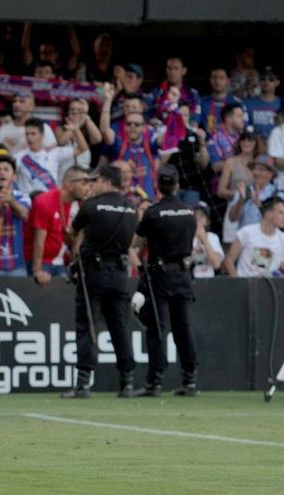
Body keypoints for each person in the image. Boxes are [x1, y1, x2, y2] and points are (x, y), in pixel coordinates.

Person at [61, 164, 137, 399]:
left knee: (87, 327)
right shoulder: (130, 208)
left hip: (93, 272)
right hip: (120, 273)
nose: (90, 185)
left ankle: (83, 385)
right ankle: (127, 382)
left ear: (105, 182)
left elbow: (72, 231)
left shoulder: (90, 206)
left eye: (94, 181)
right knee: (120, 327)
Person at [133, 166, 199, 397]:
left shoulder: (153, 212)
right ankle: (189, 380)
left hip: (160, 275)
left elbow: (138, 241)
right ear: (177, 186)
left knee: (158, 329)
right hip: (183, 274)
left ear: (158, 186)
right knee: (183, 328)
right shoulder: (189, 212)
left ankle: (154, 382)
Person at [27, 167, 90, 285]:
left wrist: (76, 267)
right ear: (70, 185)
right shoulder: (44, 201)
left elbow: (77, 241)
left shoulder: (81, 205)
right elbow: (39, 241)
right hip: (41, 262)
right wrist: (37, 271)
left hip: (60, 262)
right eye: (84, 183)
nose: (88, 188)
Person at [15, 118, 87, 195]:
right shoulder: (19, 156)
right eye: (27, 134)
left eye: (33, 134)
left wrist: (76, 130)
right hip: (28, 202)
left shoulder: (53, 153)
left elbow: (82, 148)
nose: (29, 137)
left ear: (42, 135)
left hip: (49, 200)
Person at [223, 196, 284, 277]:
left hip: (271, 288)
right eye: (281, 212)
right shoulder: (247, 232)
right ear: (268, 213)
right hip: (246, 286)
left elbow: (281, 265)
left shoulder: (282, 238)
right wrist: (240, 284)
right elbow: (228, 260)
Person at [191, 202, 224, 278]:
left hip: (208, 281)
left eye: (202, 216)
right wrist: (194, 251)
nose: (198, 218)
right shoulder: (186, 237)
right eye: (195, 215)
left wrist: (204, 239)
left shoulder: (212, 237)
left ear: (207, 221)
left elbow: (216, 264)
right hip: (190, 281)